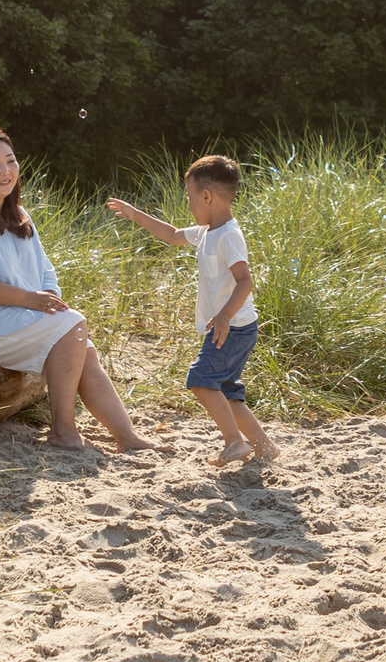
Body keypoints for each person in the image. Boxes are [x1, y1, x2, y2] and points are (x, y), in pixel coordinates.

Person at [0, 128, 165, 456]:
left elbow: (45, 271)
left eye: (10, 161)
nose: (5, 171)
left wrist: (48, 300)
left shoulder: (19, 215)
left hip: (17, 316)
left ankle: (126, 435)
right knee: (74, 327)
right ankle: (63, 432)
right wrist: (30, 300)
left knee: (82, 346)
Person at [108, 156, 280, 468]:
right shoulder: (205, 232)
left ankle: (234, 442)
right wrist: (135, 215)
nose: (188, 203)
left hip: (233, 327)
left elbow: (245, 280)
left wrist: (225, 316)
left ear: (206, 196)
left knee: (200, 380)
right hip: (235, 327)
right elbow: (173, 235)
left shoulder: (228, 235)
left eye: (189, 197)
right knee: (225, 391)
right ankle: (263, 446)